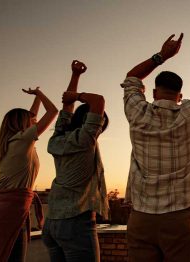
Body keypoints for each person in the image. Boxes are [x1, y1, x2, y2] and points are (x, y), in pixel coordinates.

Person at [121, 33, 190, 262]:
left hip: (141, 217)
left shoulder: (137, 112)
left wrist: (162, 56)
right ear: (180, 96)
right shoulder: (189, 113)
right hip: (178, 217)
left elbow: (131, 78)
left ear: (155, 93)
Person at [0, 87, 58, 262]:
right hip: (8, 213)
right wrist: (39, 94)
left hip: (3, 210)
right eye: (32, 120)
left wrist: (36, 97)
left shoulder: (13, 141)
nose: (35, 120)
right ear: (23, 124)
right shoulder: (22, 140)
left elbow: (31, 114)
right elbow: (53, 111)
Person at [42, 60, 109, 262]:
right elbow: (98, 101)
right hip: (76, 222)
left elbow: (67, 108)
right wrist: (79, 96)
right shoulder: (85, 140)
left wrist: (75, 76)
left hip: (52, 223)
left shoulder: (57, 138)